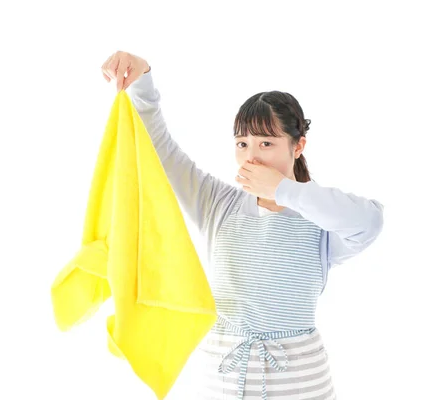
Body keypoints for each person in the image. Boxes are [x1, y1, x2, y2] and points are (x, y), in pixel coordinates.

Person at [101, 51, 384, 400]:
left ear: (298, 146)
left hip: (301, 386)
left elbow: (369, 221)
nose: (252, 156)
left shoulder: (320, 215)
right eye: (242, 143)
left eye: (266, 142)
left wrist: (284, 190)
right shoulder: (217, 203)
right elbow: (161, 150)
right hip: (222, 380)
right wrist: (142, 80)